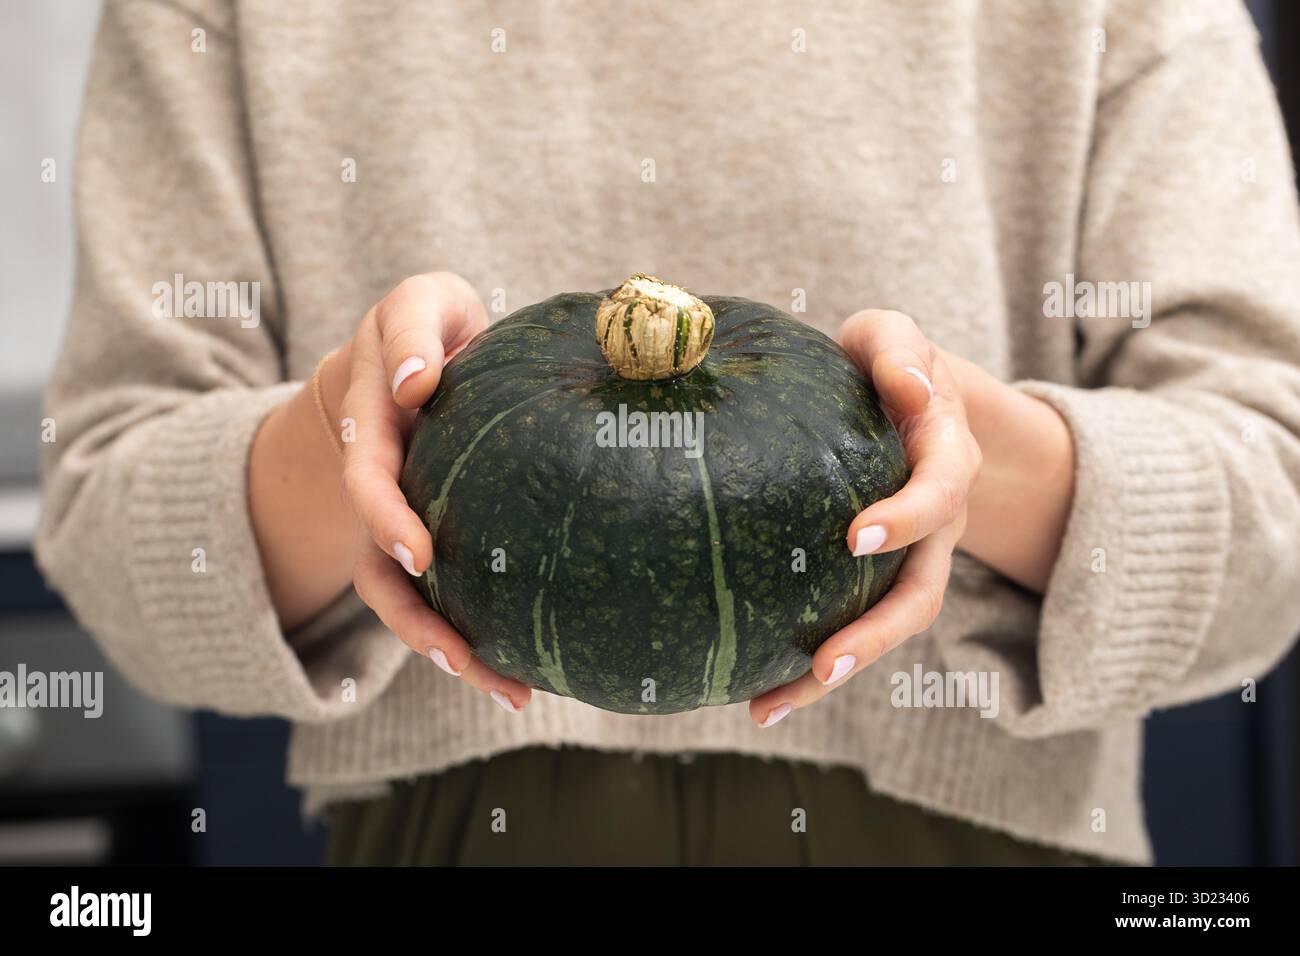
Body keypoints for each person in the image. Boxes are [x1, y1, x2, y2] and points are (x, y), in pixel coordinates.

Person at [36, 0, 1300, 865]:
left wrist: (965, 455)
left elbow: (1276, 508)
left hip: (981, 836)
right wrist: (346, 436)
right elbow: (108, 528)